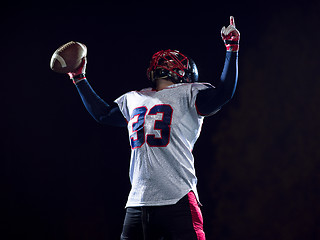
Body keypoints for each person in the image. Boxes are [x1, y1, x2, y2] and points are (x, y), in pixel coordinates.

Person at [66, 16, 239, 240]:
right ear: (184, 72)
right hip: (140, 201)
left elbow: (102, 114)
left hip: (173, 198)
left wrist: (80, 79)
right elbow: (103, 115)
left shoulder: (142, 98)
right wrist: (78, 77)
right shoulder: (141, 97)